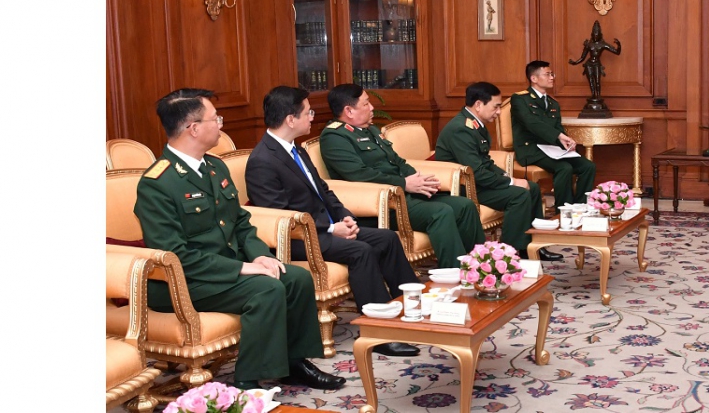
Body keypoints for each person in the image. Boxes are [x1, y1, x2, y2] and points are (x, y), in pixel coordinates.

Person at [133, 88, 346, 391]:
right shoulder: (158, 183)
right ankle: (247, 382)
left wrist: (261, 256)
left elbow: (241, 223)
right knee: (266, 289)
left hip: (223, 271)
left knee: (296, 278)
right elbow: (175, 254)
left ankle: (293, 364)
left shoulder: (214, 166)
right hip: (182, 281)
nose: (221, 123)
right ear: (193, 129)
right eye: (214, 118)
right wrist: (244, 269)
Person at [244, 86, 421, 357]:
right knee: (361, 250)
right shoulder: (263, 160)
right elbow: (279, 216)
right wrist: (330, 228)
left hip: (325, 228)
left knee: (386, 237)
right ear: (291, 119)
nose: (312, 117)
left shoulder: (296, 150)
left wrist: (344, 216)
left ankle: (412, 310)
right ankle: (381, 331)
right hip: (297, 239)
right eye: (308, 112)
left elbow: (323, 190)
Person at [319, 83, 486, 268]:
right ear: (349, 110)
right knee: (441, 212)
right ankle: (456, 274)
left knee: (465, 206)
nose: (372, 107)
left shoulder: (370, 130)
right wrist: (404, 183)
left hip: (405, 194)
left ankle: (480, 266)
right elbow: (359, 174)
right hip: (384, 204)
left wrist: (418, 180)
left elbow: (396, 161)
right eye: (366, 104)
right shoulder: (334, 137)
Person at [434, 81, 564, 263]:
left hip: (478, 182)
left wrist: (507, 177)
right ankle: (508, 253)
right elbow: (476, 172)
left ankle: (532, 247)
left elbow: (485, 162)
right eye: (495, 106)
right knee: (518, 195)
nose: (498, 112)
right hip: (464, 188)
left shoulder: (476, 125)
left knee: (532, 188)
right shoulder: (461, 129)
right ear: (478, 104)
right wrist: (510, 183)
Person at [510, 60, 597, 207]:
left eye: (552, 74)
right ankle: (563, 210)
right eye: (547, 74)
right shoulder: (519, 99)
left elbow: (557, 127)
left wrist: (566, 141)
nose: (552, 78)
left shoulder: (552, 103)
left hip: (552, 149)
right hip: (531, 149)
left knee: (588, 166)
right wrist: (558, 136)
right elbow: (532, 123)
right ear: (534, 78)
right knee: (564, 168)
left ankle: (580, 207)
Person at [568, 20, 621, 100]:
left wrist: (619, 45)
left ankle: (598, 96)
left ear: (600, 35)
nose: (595, 37)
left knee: (597, 80)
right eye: (594, 35)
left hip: (596, 64)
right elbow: (583, 57)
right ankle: (593, 94)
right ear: (592, 35)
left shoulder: (603, 44)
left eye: (597, 35)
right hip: (589, 64)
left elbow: (617, 52)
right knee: (591, 81)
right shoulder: (589, 44)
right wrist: (575, 62)